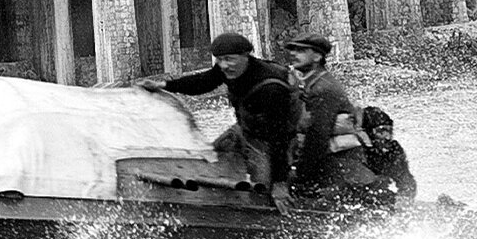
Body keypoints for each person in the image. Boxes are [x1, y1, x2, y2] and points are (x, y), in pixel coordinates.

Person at [138, 31, 298, 203]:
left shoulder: (271, 87)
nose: (223, 65)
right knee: (210, 159)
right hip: (244, 129)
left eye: (229, 59)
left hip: (269, 141)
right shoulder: (228, 69)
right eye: (219, 59)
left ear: (246, 56)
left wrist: (280, 182)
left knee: (262, 192)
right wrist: (164, 85)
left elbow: (279, 137)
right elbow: (203, 82)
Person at [283, 33, 374, 206]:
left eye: (301, 50)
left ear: (317, 56)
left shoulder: (324, 89)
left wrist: (301, 178)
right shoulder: (310, 83)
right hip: (329, 160)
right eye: (293, 49)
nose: (294, 54)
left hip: (341, 163)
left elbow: (317, 138)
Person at [359, 106, 418, 207]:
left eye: (390, 131)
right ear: (368, 133)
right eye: (381, 131)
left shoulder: (393, 149)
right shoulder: (357, 149)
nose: (387, 137)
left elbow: (405, 179)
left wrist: (404, 199)